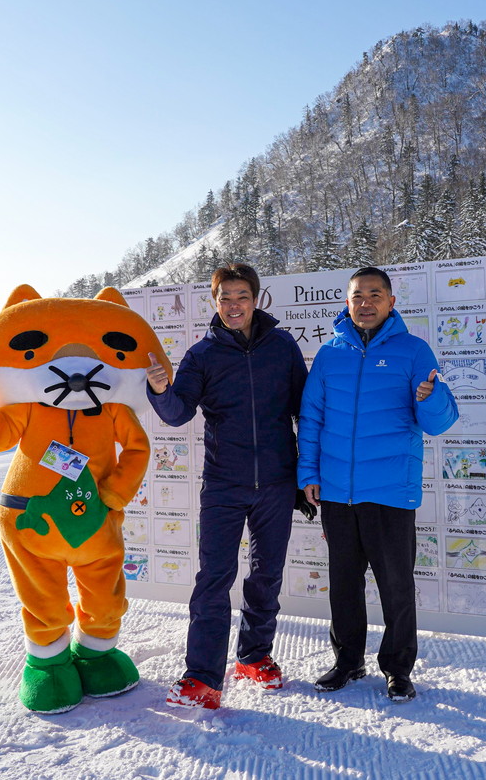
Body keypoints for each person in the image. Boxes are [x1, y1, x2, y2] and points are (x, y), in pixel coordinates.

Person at [146, 263, 309, 710]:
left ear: (256, 299)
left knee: (266, 574)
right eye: (225, 298)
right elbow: (178, 413)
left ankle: (254, 657)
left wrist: (308, 473)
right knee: (214, 579)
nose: (233, 306)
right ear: (214, 302)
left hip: (277, 480)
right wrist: (160, 389)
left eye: (241, 296)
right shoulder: (202, 355)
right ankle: (202, 677)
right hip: (223, 481)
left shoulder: (281, 346)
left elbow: (305, 409)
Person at [298, 267, 458, 702]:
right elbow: (311, 418)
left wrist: (433, 398)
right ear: (347, 303)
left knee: (396, 586)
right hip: (336, 493)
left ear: (391, 301)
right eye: (357, 296)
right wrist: (308, 475)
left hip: (389, 491)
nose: (365, 303)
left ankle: (398, 669)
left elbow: (440, 422)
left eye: (375, 294)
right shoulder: (330, 354)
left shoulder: (413, 351)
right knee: (344, 585)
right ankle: (348, 661)